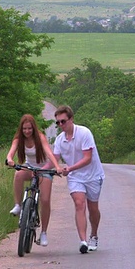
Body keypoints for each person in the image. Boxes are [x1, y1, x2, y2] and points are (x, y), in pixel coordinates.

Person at [49, 105, 105, 254]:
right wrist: (43, 170)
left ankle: (94, 235)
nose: (61, 125)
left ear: (71, 119)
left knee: (93, 209)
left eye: (63, 121)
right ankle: (83, 241)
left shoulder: (84, 133)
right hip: (76, 178)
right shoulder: (60, 139)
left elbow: (87, 158)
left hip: (93, 175)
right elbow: (54, 160)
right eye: (58, 123)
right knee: (79, 204)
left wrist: (70, 168)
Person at [5, 114, 62, 247]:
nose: (27, 131)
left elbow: (49, 153)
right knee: (18, 174)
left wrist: (57, 166)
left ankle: (43, 233)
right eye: (24, 129)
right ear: (21, 129)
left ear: (33, 128)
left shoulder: (40, 137)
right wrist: (10, 160)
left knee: (45, 200)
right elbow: (10, 153)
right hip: (30, 167)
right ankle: (18, 205)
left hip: (43, 169)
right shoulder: (18, 139)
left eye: (29, 128)